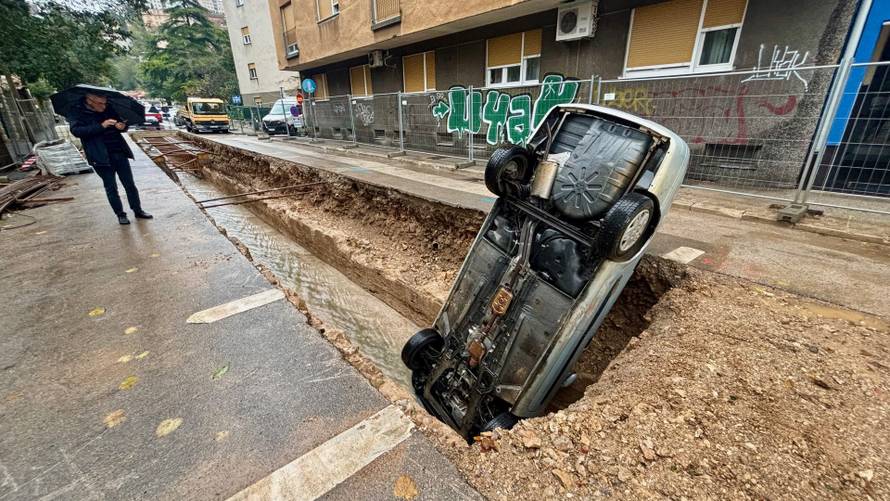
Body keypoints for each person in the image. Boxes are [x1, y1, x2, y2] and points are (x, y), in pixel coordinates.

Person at [68, 93, 152, 225]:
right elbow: (77, 131)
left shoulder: (109, 109)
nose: (104, 106)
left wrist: (122, 126)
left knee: (129, 184)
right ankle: (120, 214)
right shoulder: (77, 113)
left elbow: (121, 123)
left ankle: (137, 210)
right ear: (90, 101)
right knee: (111, 186)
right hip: (99, 155)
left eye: (105, 103)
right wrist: (101, 126)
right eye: (100, 103)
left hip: (118, 151)